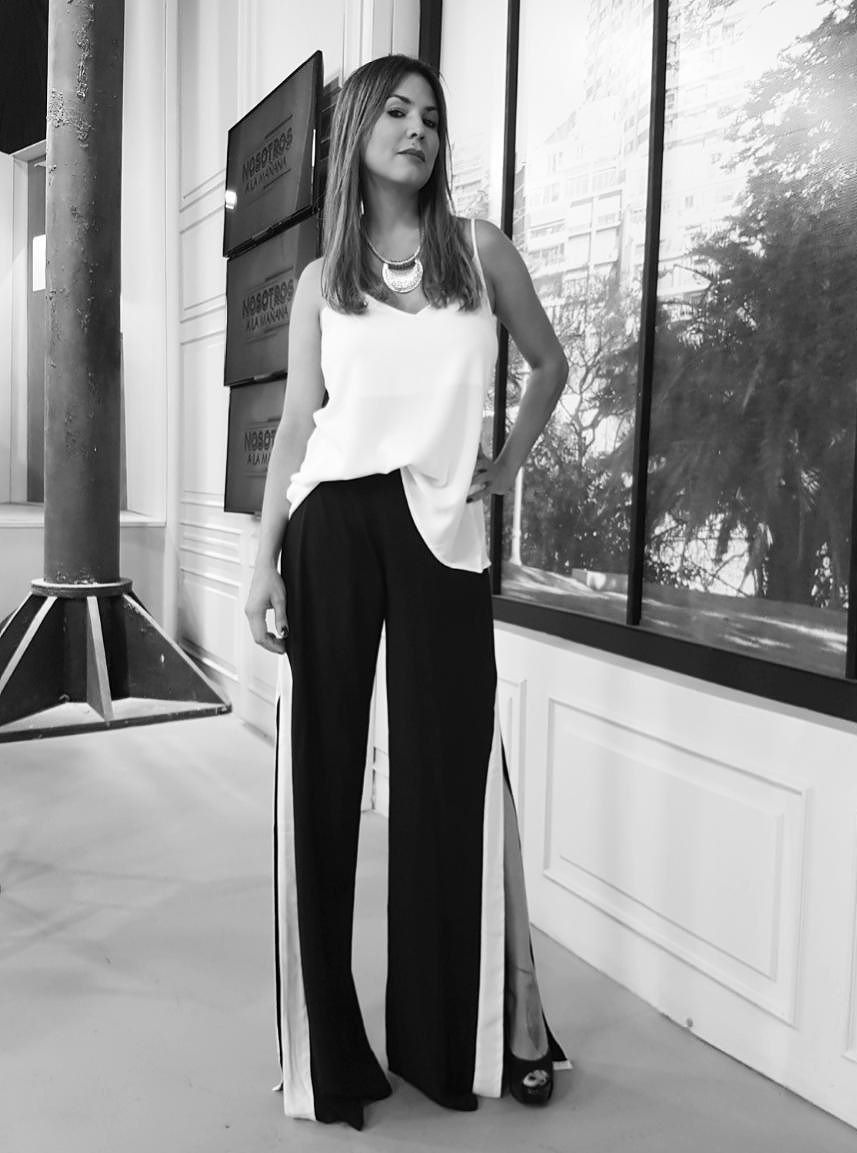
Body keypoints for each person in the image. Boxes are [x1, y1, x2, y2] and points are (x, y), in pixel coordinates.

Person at [244, 52, 570, 1131]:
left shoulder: (478, 251)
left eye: (430, 114)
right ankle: (330, 1061)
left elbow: (549, 363)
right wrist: (261, 558)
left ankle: (461, 1036)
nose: (417, 128)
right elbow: (296, 428)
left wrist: (506, 464)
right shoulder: (320, 281)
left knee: (453, 777)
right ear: (355, 132)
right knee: (320, 782)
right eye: (395, 110)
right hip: (332, 523)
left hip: (443, 525)